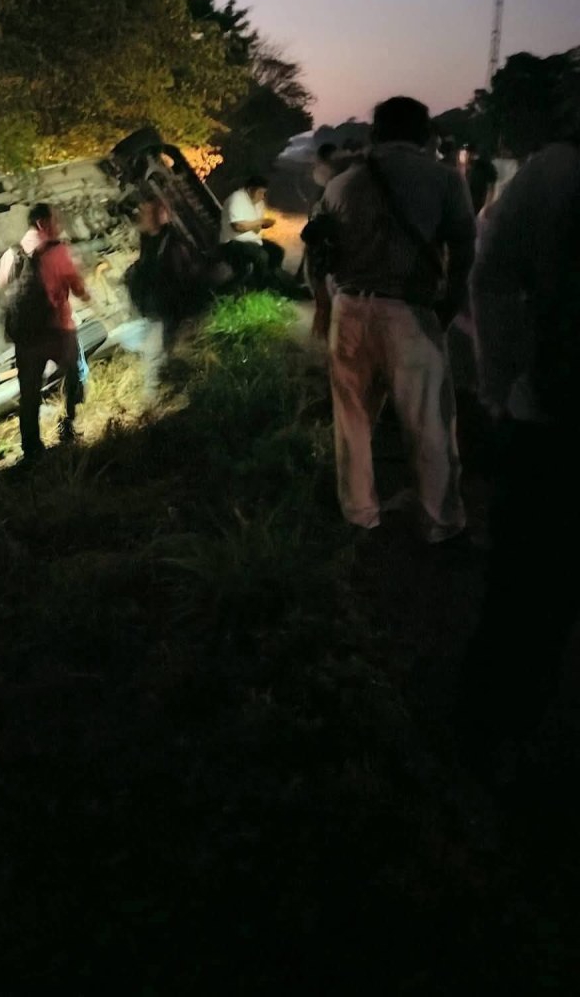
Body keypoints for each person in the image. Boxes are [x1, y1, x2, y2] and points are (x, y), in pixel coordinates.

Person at [459, 136, 580, 779]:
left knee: (527, 595)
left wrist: (503, 386)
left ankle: (493, 736)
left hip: (552, 425)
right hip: (551, 420)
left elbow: (491, 275)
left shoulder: (554, 172)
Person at [309, 96, 477, 543]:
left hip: (349, 309)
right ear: (425, 135)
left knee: (353, 419)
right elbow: (464, 248)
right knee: (428, 423)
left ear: (375, 134)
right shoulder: (443, 180)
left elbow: (317, 253)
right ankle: (437, 520)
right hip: (411, 312)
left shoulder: (342, 184)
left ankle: (360, 513)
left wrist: (323, 307)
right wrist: (448, 304)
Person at [0, 202, 90, 462]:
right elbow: (76, 284)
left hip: (26, 337)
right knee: (75, 375)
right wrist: (84, 294)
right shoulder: (57, 251)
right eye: (55, 220)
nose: (59, 225)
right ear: (42, 223)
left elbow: (2, 288)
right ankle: (67, 427)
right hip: (57, 330)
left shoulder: (9, 254)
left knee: (29, 394)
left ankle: (31, 448)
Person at [125, 194, 206, 399]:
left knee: (156, 350)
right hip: (158, 307)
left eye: (145, 213)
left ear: (158, 216)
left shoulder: (172, 244)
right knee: (161, 347)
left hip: (165, 306)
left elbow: (177, 277)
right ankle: (163, 386)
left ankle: (153, 396)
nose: (141, 217)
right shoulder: (150, 239)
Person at [219, 174, 285, 286]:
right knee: (261, 256)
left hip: (252, 240)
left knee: (277, 251)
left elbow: (255, 227)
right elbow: (238, 226)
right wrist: (260, 222)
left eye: (264, 193)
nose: (262, 196)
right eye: (260, 193)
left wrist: (264, 224)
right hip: (233, 241)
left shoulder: (259, 203)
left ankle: (271, 280)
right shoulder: (237, 199)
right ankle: (258, 287)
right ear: (250, 190)